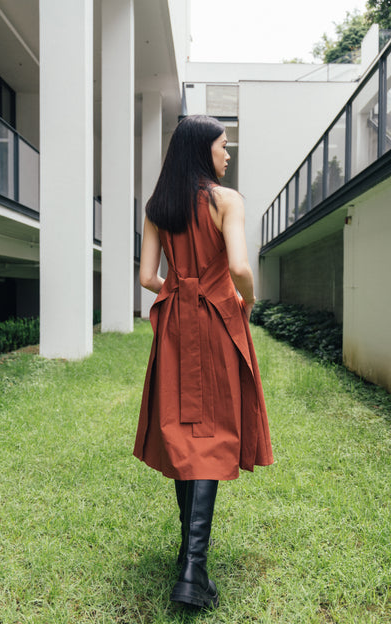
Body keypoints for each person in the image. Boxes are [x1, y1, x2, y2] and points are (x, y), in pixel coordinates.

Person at [133, 115, 273, 609]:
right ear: (202, 151)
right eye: (222, 147)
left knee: (181, 429)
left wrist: (179, 288)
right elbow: (238, 267)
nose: (227, 155)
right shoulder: (225, 200)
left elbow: (149, 277)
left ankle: (187, 559)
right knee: (211, 433)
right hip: (216, 319)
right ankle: (193, 570)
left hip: (174, 323)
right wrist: (247, 300)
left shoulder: (159, 206)